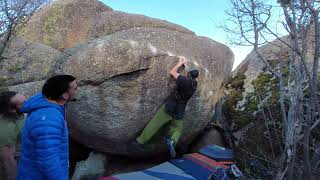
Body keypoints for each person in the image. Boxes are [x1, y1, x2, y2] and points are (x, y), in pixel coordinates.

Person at [135, 56, 199, 158]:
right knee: (177, 128)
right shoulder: (194, 84)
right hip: (180, 110)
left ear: (188, 74)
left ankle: (140, 141)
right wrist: (185, 65)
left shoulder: (183, 80)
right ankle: (172, 140)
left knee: (155, 124)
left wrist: (178, 64)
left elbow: (172, 72)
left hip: (171, 105)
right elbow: (189, 75)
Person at [17, 75, 78, 180]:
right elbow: (48, 161)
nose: (77, 90)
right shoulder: (49, 119)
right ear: (64, 95)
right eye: (75, 88)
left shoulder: (48, 102)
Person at [0, 91, 26, 180]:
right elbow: (8, 161)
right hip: (17, 166)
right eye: (23, 103)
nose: (27, 104)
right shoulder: (4, 128)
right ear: (12, 109)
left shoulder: (20, 115)